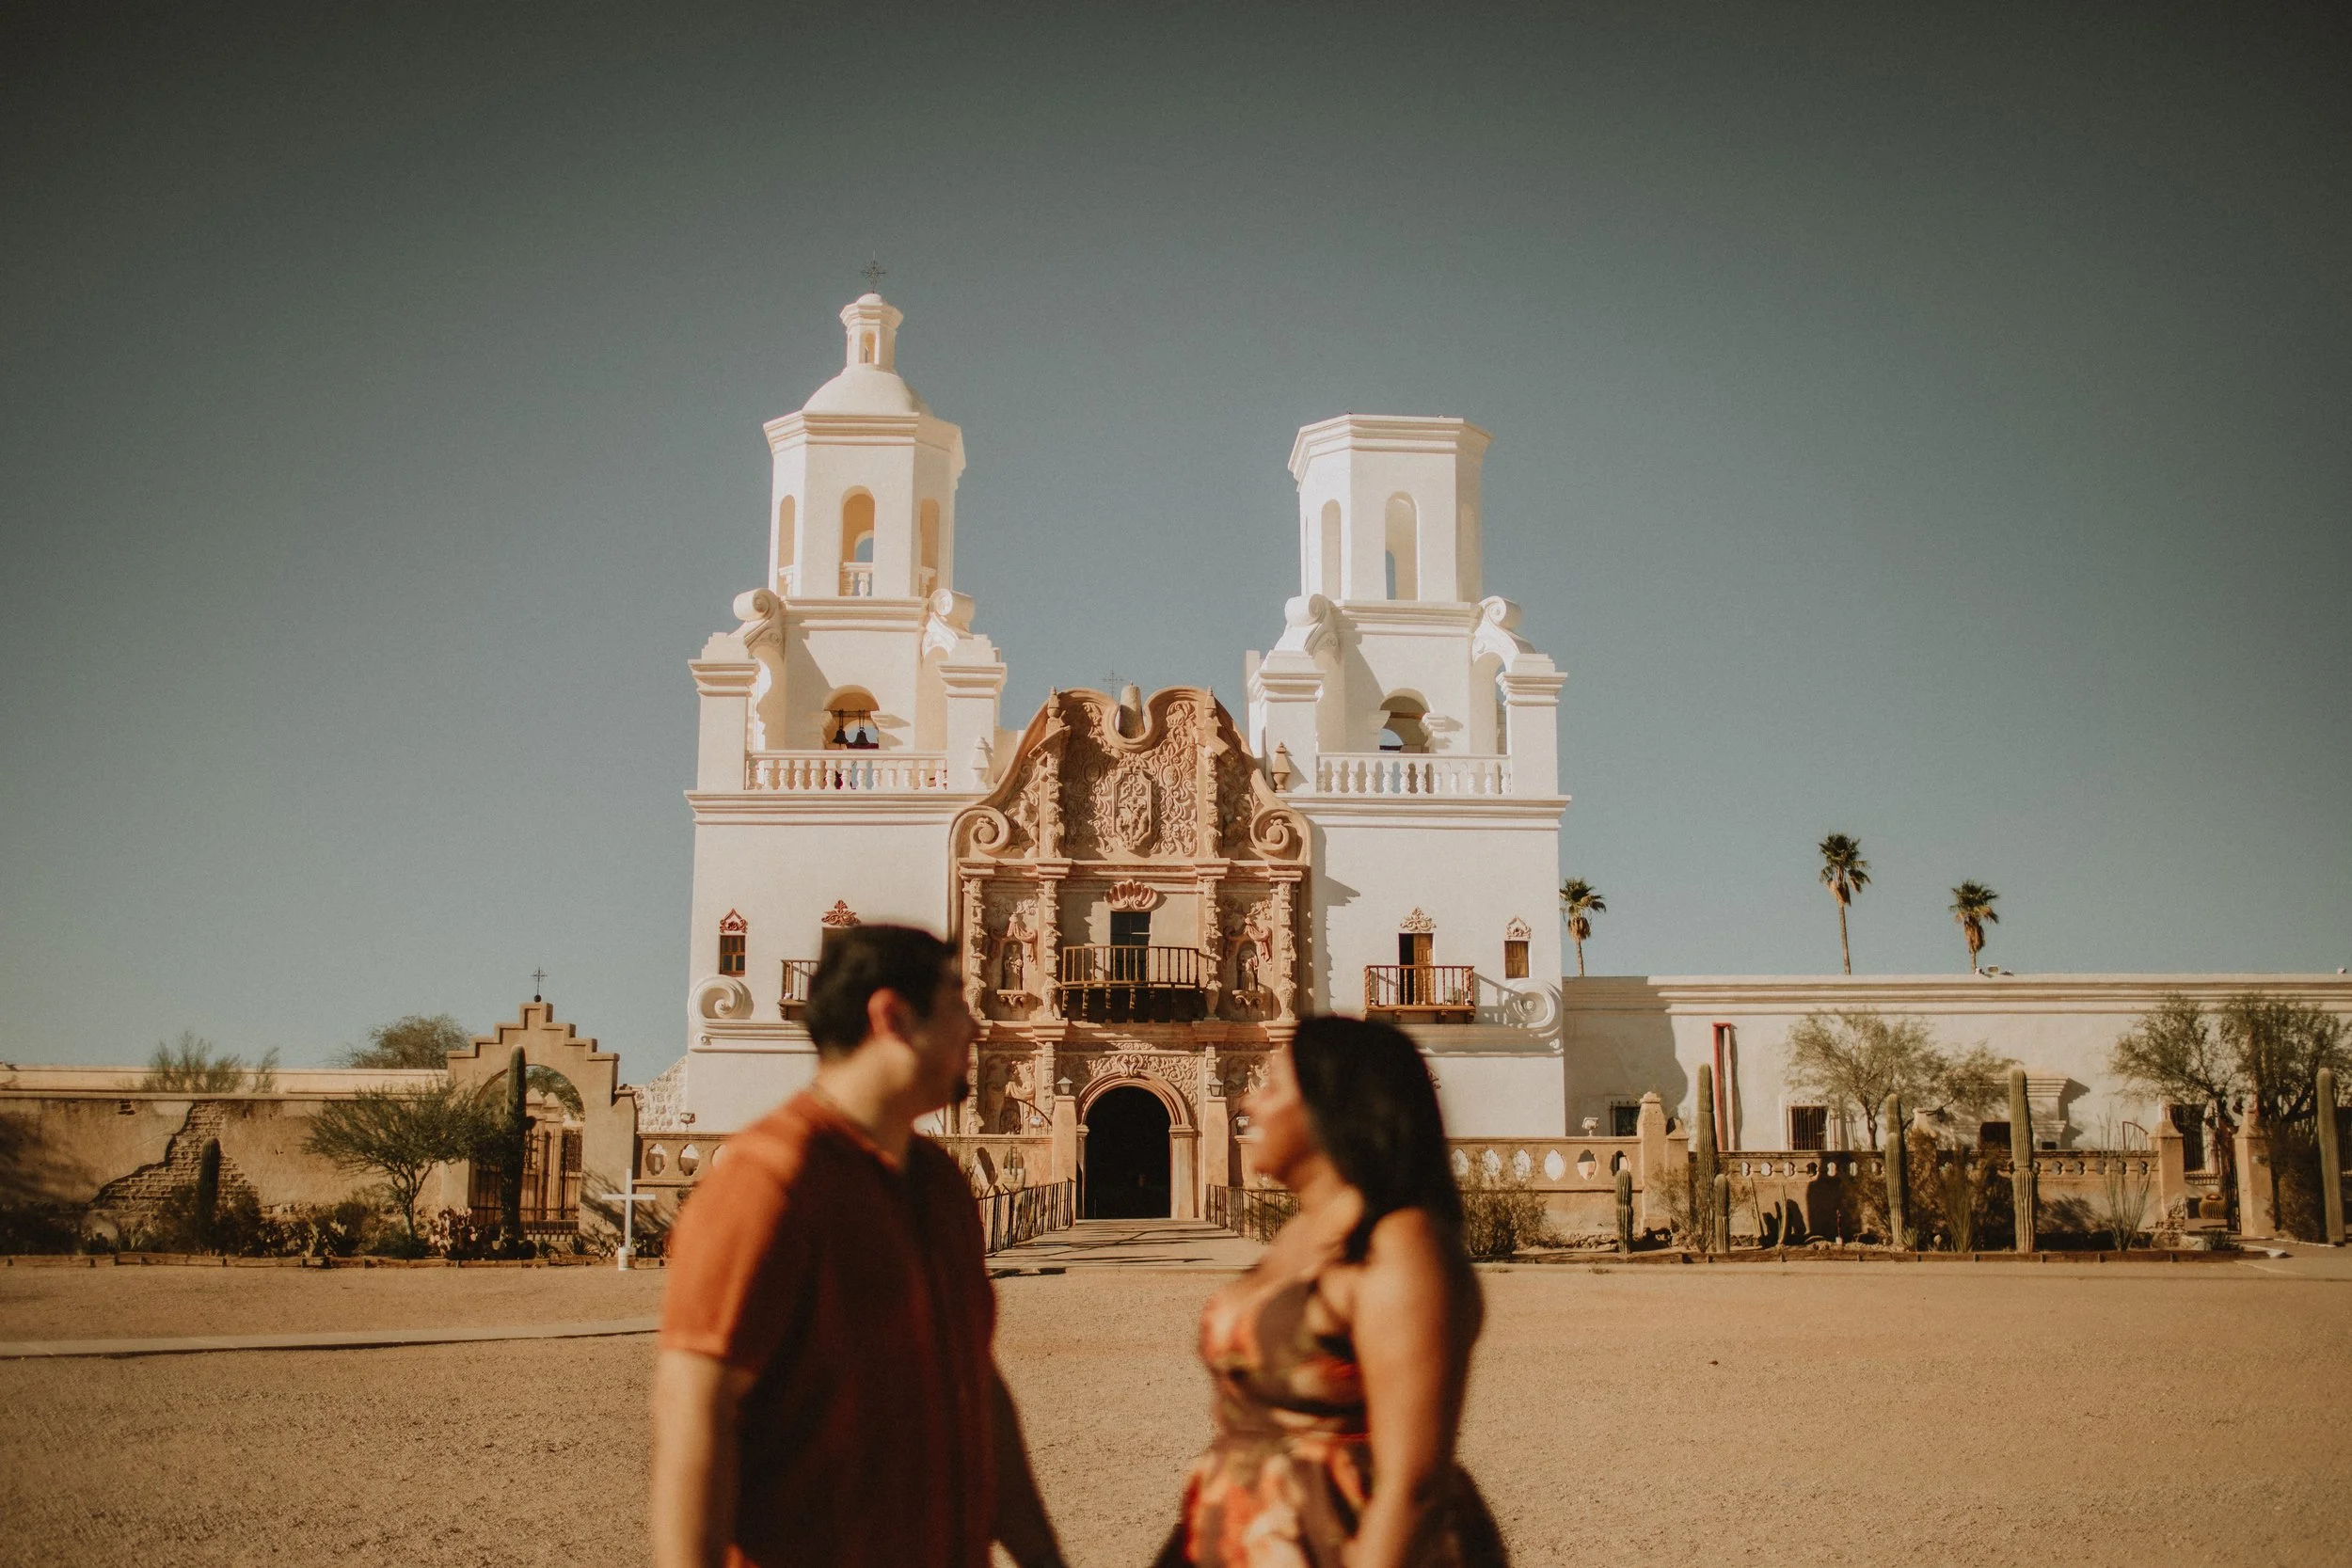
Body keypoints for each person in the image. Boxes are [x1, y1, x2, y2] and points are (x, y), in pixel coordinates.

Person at [650, 924, 1067, 1568]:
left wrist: (1040, 1552)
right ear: (892, 1016)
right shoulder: (769, 1182)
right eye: (958, 1005)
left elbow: (976, 1379)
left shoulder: (939, 1186)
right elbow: (693, 1408)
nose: (977, 1029)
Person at [1155, 1015, 1508, 1568]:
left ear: (1332, 1108)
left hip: (1344, 1539)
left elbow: (1414, 1483)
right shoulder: (1300, 1233)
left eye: (1271, 1087)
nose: (1248, 1103)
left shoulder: (1399, 1246)